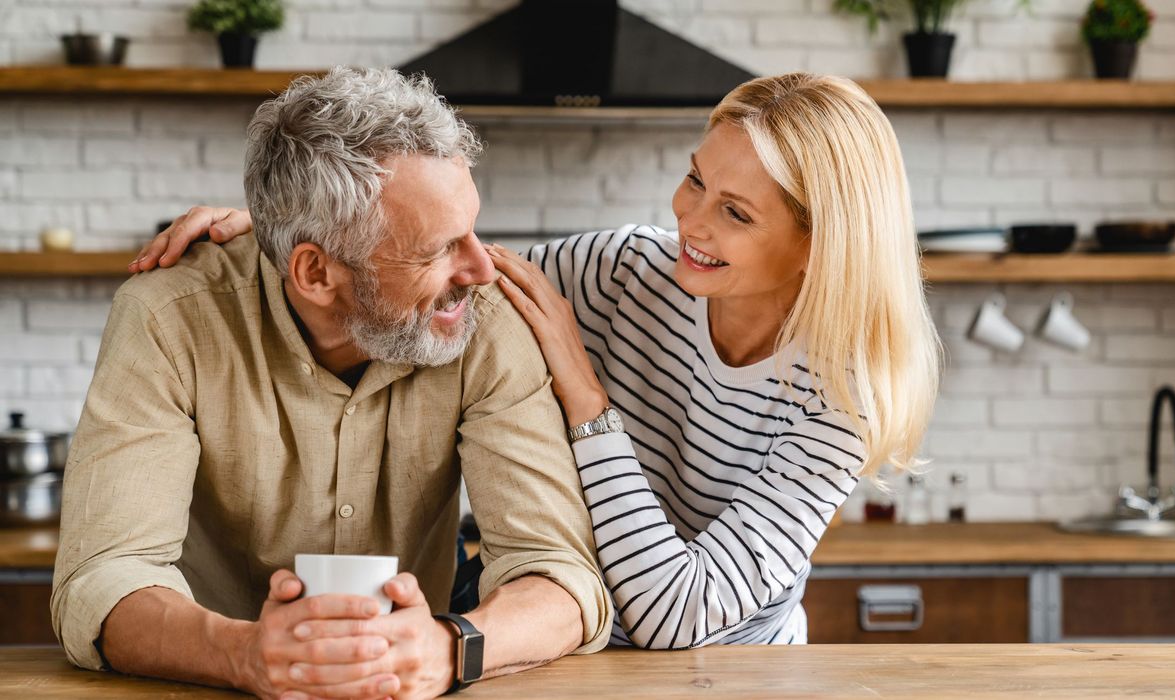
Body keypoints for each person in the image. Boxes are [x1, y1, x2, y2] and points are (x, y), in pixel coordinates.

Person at [136, 72, 940, 649]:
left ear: (819, 245)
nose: (688, 220)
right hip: (557, 649)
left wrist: (586, 400)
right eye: (693, 180)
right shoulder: (628, 268)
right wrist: (288, 226)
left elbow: (678, 613)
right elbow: (427, 266)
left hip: (725, 672)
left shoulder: (842, 397)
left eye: (733, 213)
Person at [53, 66, 611, 700]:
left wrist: (452, 648)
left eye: (473, 229)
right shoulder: (168, 318)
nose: (481, 267)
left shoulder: (482, 319)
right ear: (315, 272)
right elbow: (103, 581)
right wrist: (240, 654)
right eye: (436, 249)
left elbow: (561, 579)